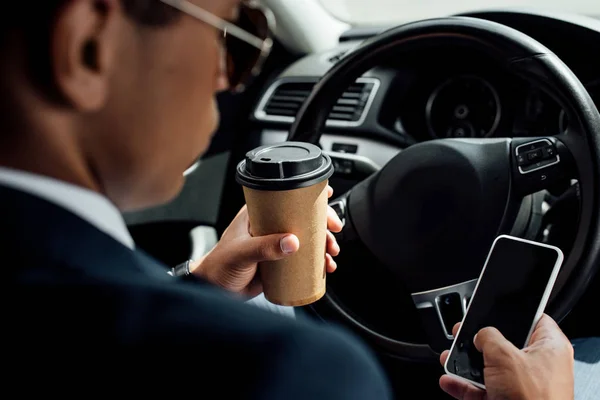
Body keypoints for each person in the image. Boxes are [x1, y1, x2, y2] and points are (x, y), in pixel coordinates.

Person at [0, 0, 594, 398]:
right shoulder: (293, 373)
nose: (233, 78)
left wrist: (198, 294)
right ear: (87, 48)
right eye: (235, 36)